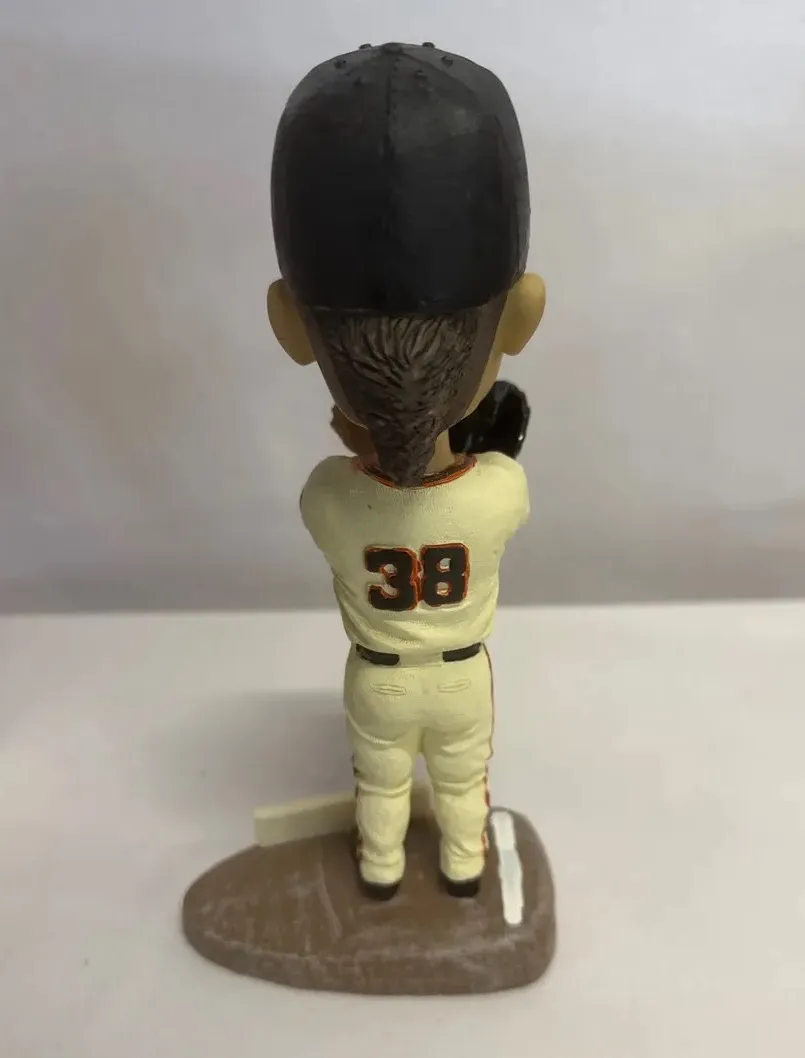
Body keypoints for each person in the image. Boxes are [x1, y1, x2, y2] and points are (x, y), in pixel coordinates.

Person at [267, 41, 545, 900]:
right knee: (462, 781)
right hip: (460, 673)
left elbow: (362, 468)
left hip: (377, 675)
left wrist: (368, 429)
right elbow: (475, 469)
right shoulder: (500, 492)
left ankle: (381, 873)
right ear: (521, 317)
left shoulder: (328, 496)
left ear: (289, 327)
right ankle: (463, 870)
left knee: (381, 784)